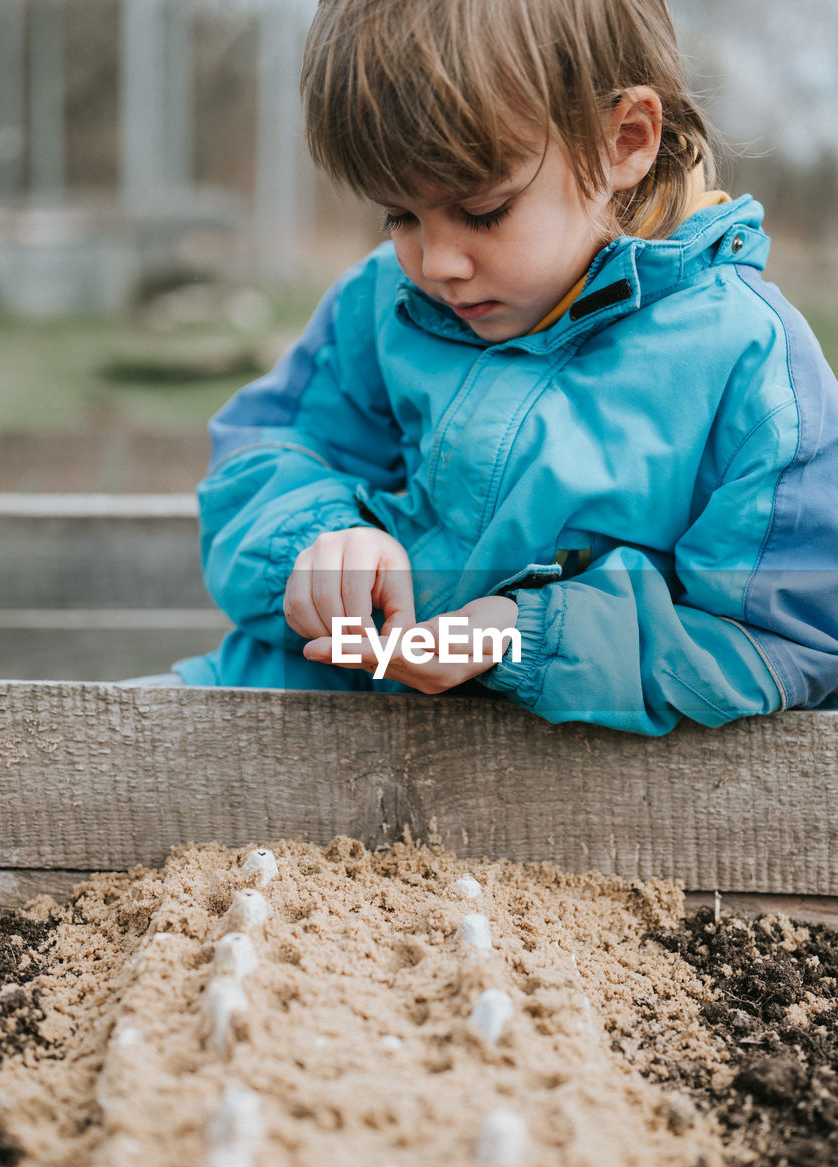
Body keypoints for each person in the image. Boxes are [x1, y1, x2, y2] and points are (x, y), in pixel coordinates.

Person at [169, 0, 838, 735]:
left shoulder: (747, 371)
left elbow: (787, 640)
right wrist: (315, 545)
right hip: (296, 716)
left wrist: (519, 635)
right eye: (400, 216)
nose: (438, 262)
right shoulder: (380, 302)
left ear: (625, 140)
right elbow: (262, 459)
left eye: (484, 211)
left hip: (557, 797)